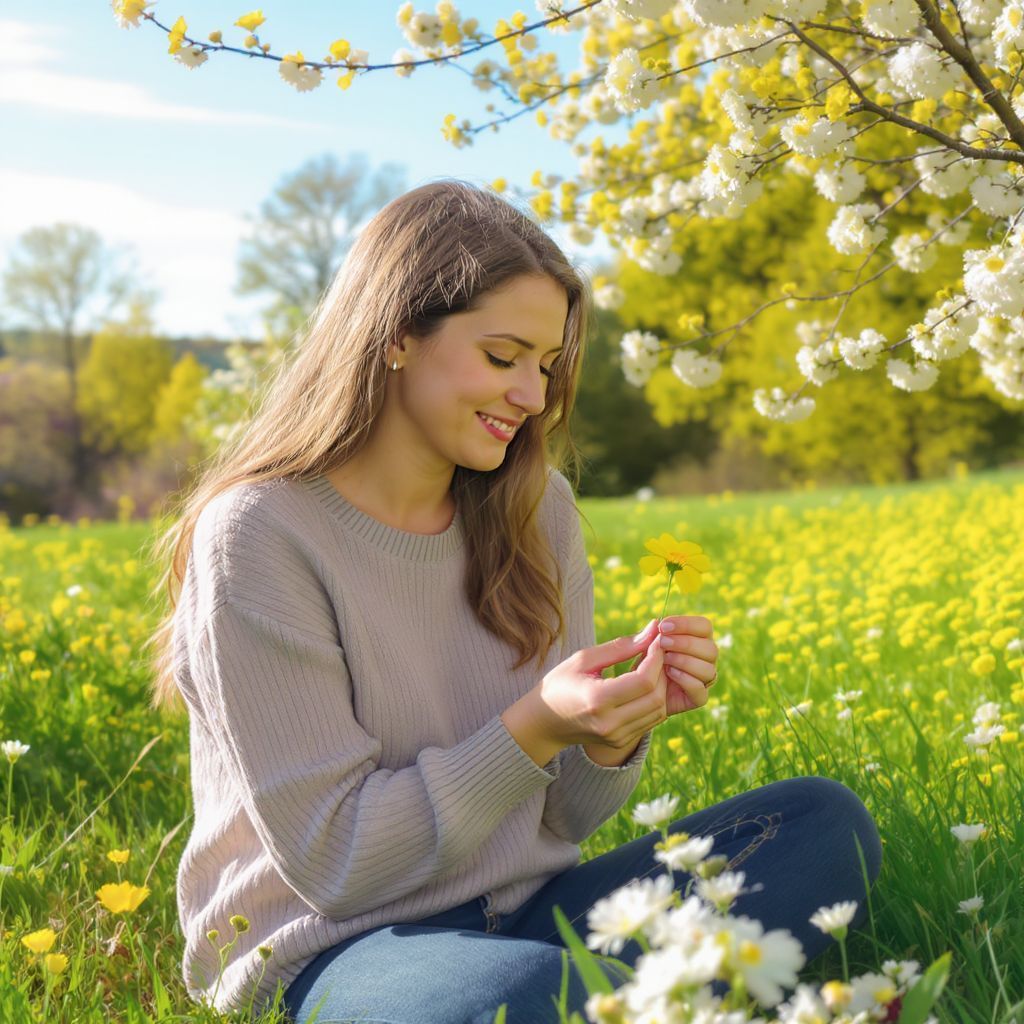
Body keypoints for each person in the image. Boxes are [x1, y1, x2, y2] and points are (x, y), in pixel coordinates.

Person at [145, 179, 883, 1024]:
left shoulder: (538, 510)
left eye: (546, 365)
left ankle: (601, 1004)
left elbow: (566, 815)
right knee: (505, 1001)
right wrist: (534, 722)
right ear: (395, 337)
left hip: (531, 911)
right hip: (334, 948)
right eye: (504, 357)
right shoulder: (263, 532)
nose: (532, 397)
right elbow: (340, 864)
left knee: (821, 825)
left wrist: (613, 729)